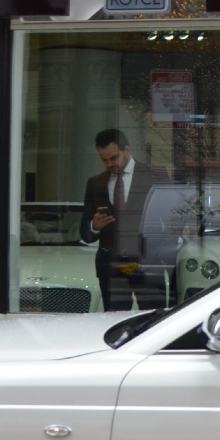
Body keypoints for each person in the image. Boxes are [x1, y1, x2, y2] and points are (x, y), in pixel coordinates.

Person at [79, 128, 168, 312]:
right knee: (114, 319)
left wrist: (162, 254)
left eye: (114, 158)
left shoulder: (155, 176)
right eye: (104, 160)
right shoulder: (95, 183)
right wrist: (94, 226)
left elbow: (172, 217)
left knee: (154, 317)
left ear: (127, 150)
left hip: (147, 261)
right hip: (111, 266)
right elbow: (85, 232)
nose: (110, 164)